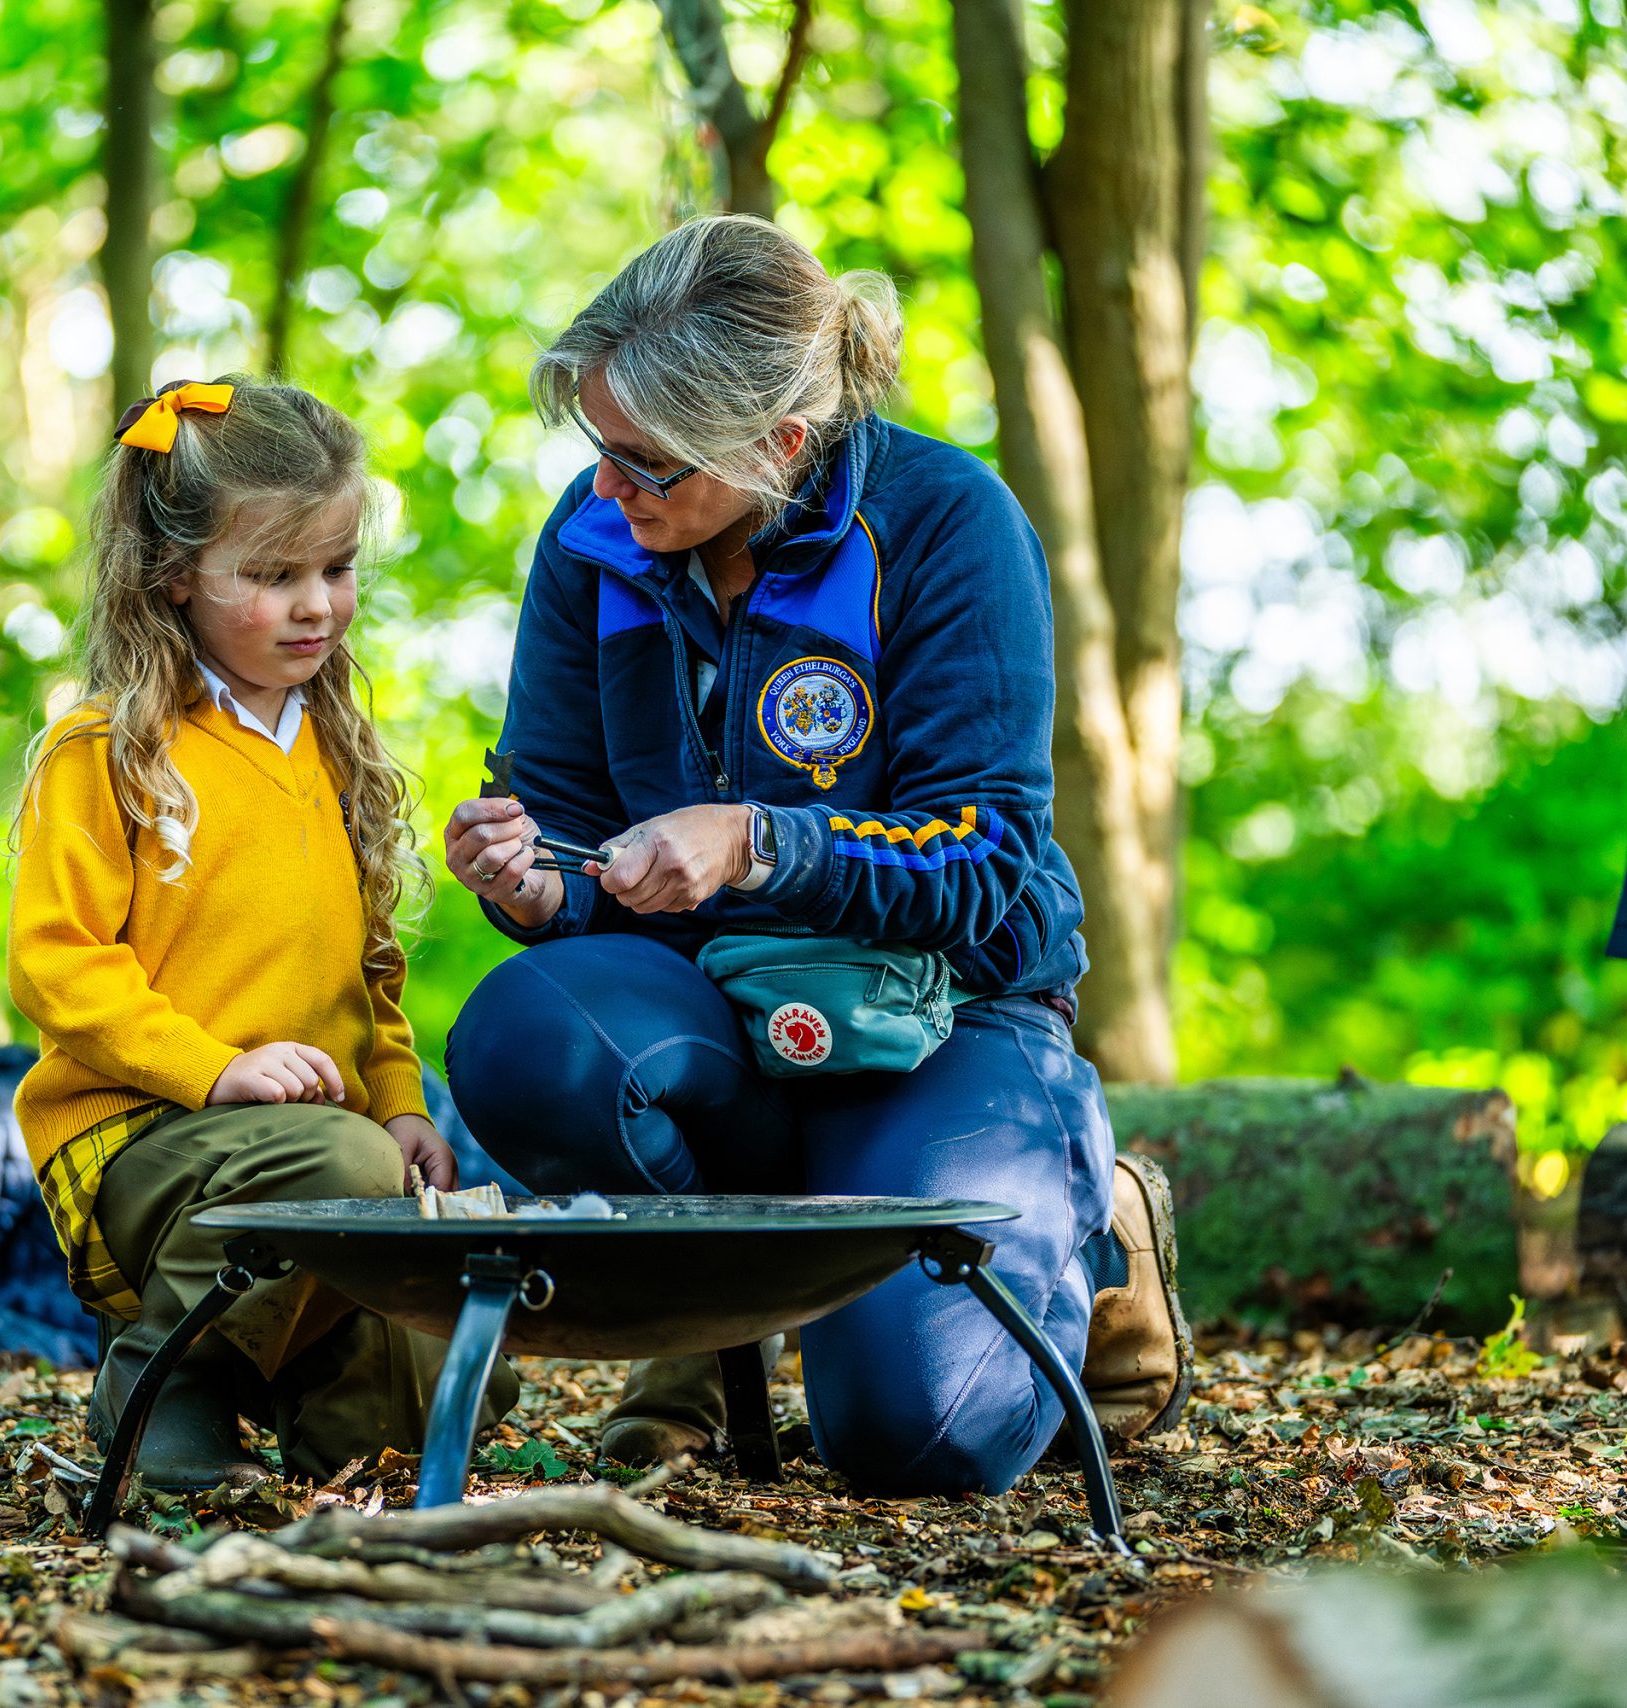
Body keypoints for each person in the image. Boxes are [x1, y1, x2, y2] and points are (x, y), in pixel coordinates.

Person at [440, 217, 1190, 1497]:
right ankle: (716, 1328)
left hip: (943, 1005)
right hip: (711, 1006)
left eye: (644, 464)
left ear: (777, 444)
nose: (606, 490)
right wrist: (532, 879)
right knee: (525, 1039)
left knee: (920, 1442)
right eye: (598, 449)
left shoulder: (950, 522)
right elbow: (565, 822)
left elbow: (986, 856)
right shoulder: (595, 535)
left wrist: (756, 842)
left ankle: (1100, 1228)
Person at [8, 377, 514, 1489]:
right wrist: (216, 1070)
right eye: (273, 576)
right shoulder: (107, 749)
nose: (316, 606)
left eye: (335, 569)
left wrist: (403, 1104)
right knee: (337, 1160)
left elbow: (366, 982)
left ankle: (290, 1375)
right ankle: (158, 1387)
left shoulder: (330, 752)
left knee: (433, 1402)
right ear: (176, 575)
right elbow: (57, 966)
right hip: (145, 1144)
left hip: (322, 1159)